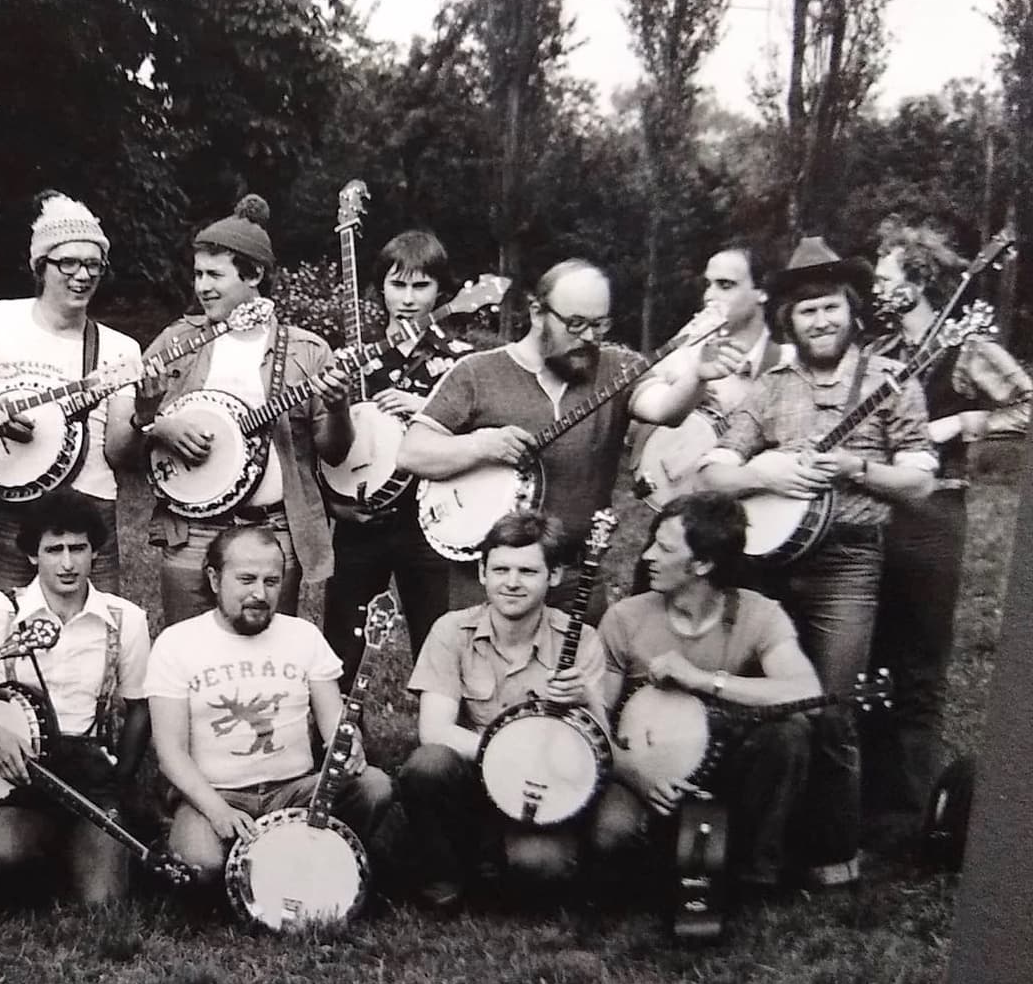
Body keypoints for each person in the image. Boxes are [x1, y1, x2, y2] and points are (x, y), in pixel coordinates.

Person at [700, 236, 937, 887]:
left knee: (830, 707)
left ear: (852, 310)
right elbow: (714, 473)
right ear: (789, 321)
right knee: (763, 706)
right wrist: (764, 473)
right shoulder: (771, 388)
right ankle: (755, 850)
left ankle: (831, 852)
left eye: (831, 307)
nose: (821, 321)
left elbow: (920, 480)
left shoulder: (891, 380)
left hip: (848, 565)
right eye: (807, 312)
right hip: (768, 564)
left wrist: (858, 468)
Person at [395, 258, 737, 615]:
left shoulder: (616, 367)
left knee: (580, 670)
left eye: (599, 324)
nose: (589, 337)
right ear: (537, 312)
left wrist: (698, 375)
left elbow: (666, 409)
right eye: (575, 324)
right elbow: (411, 453)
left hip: (577, 577)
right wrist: (481, 445)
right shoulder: (476, 373)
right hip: (492, 581)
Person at [861, 222, 1031, 855]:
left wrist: (961, 420)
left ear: (920, 282)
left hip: (934, 515)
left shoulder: (966, 348)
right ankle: (866, 803)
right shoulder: (879, 349)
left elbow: (1027, 406)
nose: (878, 288)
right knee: (871, 658)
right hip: (873, 510)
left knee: (919, 666)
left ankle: (910, 816)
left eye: (886, 278)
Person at [397, 511, 641, 912]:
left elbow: (602, 747)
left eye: (528, 571)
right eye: (501, 569)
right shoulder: (450, 631)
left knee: (541, 868)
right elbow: (435, 730)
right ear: (482, 573)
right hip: (479, 777)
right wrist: (509, 760)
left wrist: (587, 699)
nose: (511, 582)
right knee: (428, 765)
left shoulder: (581, 640)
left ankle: (516, 858)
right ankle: (445, 879)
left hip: (553, 781)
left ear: (555, 576)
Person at [132, 195, 355, 624]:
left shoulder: (307, 351)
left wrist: (340, 407)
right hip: (190, 529)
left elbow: (335, 452)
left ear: (253, 275)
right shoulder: (178, 341)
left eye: (215, 274)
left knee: (264, 656)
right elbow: (126, 437)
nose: (202, 287)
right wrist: (157, 424)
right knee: (187, 648)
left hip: (271, 531)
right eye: (198, 274)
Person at [145, 525, 398, 889]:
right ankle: (199, 840)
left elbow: (333, 723)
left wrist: (349, 743)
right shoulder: (177, 644)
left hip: (294, 791)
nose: (259, 594)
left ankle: (321, 859)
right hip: (214, 793)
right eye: (246, 580)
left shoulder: (303, 636)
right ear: (215, 579)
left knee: (374, 786)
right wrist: (217, 811)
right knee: (202, 869)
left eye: (272, 581)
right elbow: (170, 753)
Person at [598, 492, 821, 897]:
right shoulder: (624, 618)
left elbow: (806, 691)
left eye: (663, 548)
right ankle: (682, 859)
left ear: (703, 563)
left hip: (726, 762)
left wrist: (703, 679)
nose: (647, 555)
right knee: (611, 842)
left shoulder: (760, 614)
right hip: (643, 767)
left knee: (790, 732)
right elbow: (594, 718)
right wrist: (635, 774)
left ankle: (755, 874)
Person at [0, 492, 153, 904]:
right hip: (18, 776)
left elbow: (140, 709)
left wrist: (120, 780)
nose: (67, 563)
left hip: (89, 773)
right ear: (32, 556)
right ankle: (36, 849)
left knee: (104, 902)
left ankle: (86, 845)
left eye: (78, 548)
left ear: (95, 551)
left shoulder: (125, 619)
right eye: (53, 550)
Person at [0, 192, 141, 593]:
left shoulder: (121, 349)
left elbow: (119, 452)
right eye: (67, 262)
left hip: (90, 503)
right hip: (14, 501)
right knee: (9, 623)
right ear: (40, 265)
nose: (81, 275)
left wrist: (145, 413)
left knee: (97, 631)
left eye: (92, 264)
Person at [320, 229, 476, 684]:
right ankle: (339, 743)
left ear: (441, 289)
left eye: (421, 285)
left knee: (437, 638)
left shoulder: (460, 362)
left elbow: (475, 442)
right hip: (360, 519)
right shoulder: (354, 357)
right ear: (380, 288)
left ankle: (441, 740)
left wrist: (429, 411)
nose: (408, 298)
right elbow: (328, 448)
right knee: (343, 641)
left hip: (430, 521)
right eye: (397, 284)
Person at [634, 241, 784, 506]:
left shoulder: (784, 362)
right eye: (708, 284)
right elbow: (634, 427)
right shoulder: (684, 352)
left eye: (725, 285)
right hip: (675, 502)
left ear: (762, 292)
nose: (709, 297)